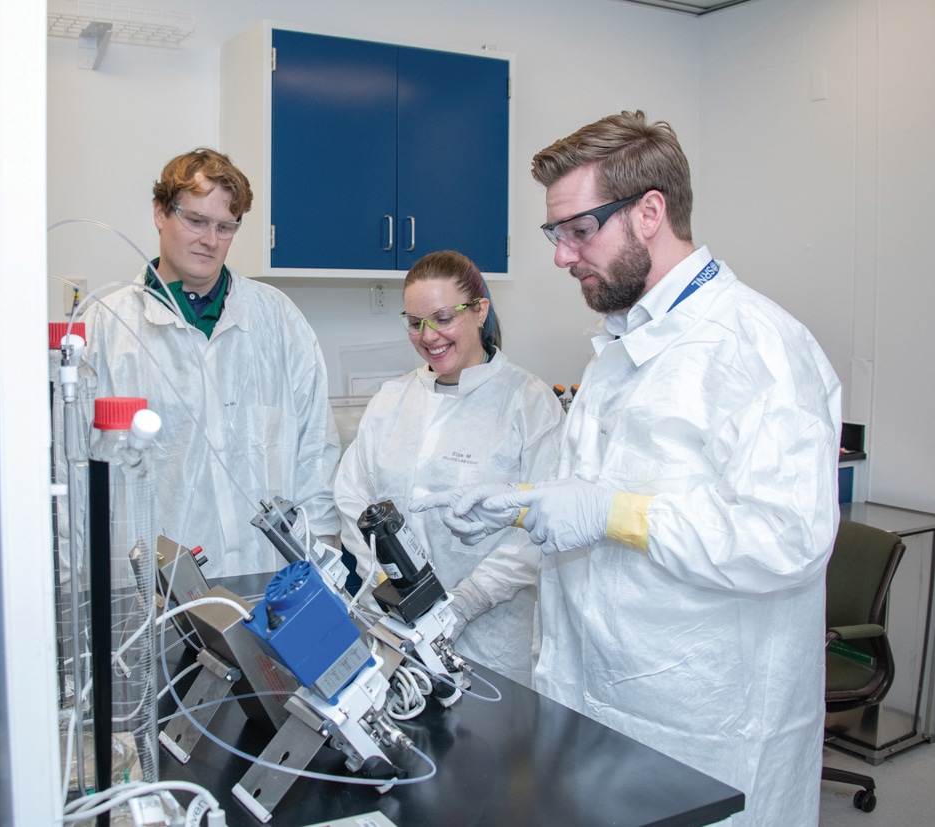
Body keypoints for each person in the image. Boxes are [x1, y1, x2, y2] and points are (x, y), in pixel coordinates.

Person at [413, 112, 841, 826]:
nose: (562, 256)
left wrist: (615, 513)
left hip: (707, 727)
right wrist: (532, 500)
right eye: (557, 234)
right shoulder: (619, 351)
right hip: (601, 704)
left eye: (580, 230)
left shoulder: (758, 348)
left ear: (650, 212)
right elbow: (607, 489)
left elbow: (788, 538)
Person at [76, 147, 341, 577]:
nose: (210, 239)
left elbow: (316, 450)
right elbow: (76, 475)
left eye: (225, 226)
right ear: (160, 213)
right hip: (155, 593)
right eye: (195, 220)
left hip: (271, 577)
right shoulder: (107, 329)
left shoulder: (277, 319)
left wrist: (322, 557)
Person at [335, 250, 563, 686]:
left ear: (480, 310)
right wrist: (387, 581)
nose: (428, 335)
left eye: (443, 317)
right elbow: (352, 498)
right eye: (415, 322)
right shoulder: (392, 400)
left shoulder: (529, 405)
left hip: (491, 642)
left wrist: (465, 603)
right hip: (395, 631)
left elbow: (539, 528)